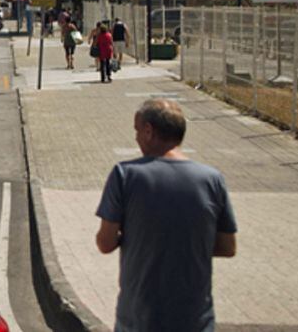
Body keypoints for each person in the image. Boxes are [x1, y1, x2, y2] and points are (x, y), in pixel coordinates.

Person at [95, 99, 237, 331]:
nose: (136, 137)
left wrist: (139, 239)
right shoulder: (212, 179)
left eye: (137, 130)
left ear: (149, 131)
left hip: (140, 318)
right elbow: (227, 247)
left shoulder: (125, 175)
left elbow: (105, 242)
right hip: (195, 319)